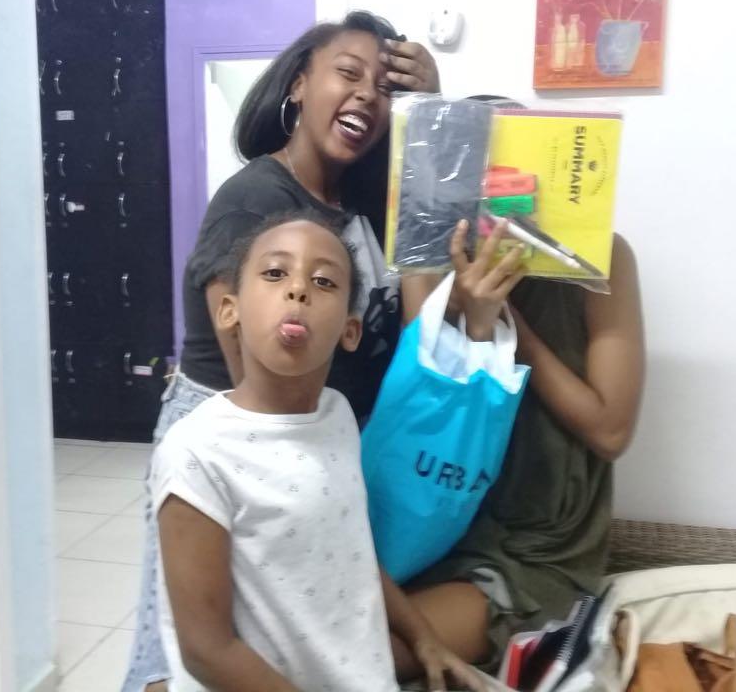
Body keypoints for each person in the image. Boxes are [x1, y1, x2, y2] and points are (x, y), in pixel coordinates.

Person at [123, 13, 524, 692]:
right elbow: (259, 370)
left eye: (385, 88)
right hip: (246, 431)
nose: (367, 94)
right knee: (181, 652)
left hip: (317, 427)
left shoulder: (355, 201)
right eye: (347, 73)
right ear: (299, 84)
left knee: (296, 619)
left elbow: (421, 317)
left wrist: (430, 108)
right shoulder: (258, 197)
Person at [150, 213, 486, 692]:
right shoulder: (198, 451)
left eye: (324, 281)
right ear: (229, 310)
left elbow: (351, 551)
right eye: (274, 273)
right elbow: (207, 651)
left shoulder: (337, 415)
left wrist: (424, 639)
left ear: (350, 330)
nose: (298, 290)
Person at [400, 232, 646, 672]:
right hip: (431, 525)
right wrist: (456, 308)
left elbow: (611, 431)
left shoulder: (599, 252)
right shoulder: (431, 238)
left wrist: (504, 320)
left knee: (356, 648)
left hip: (533, 552)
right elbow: (422, 403)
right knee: (309, 633)